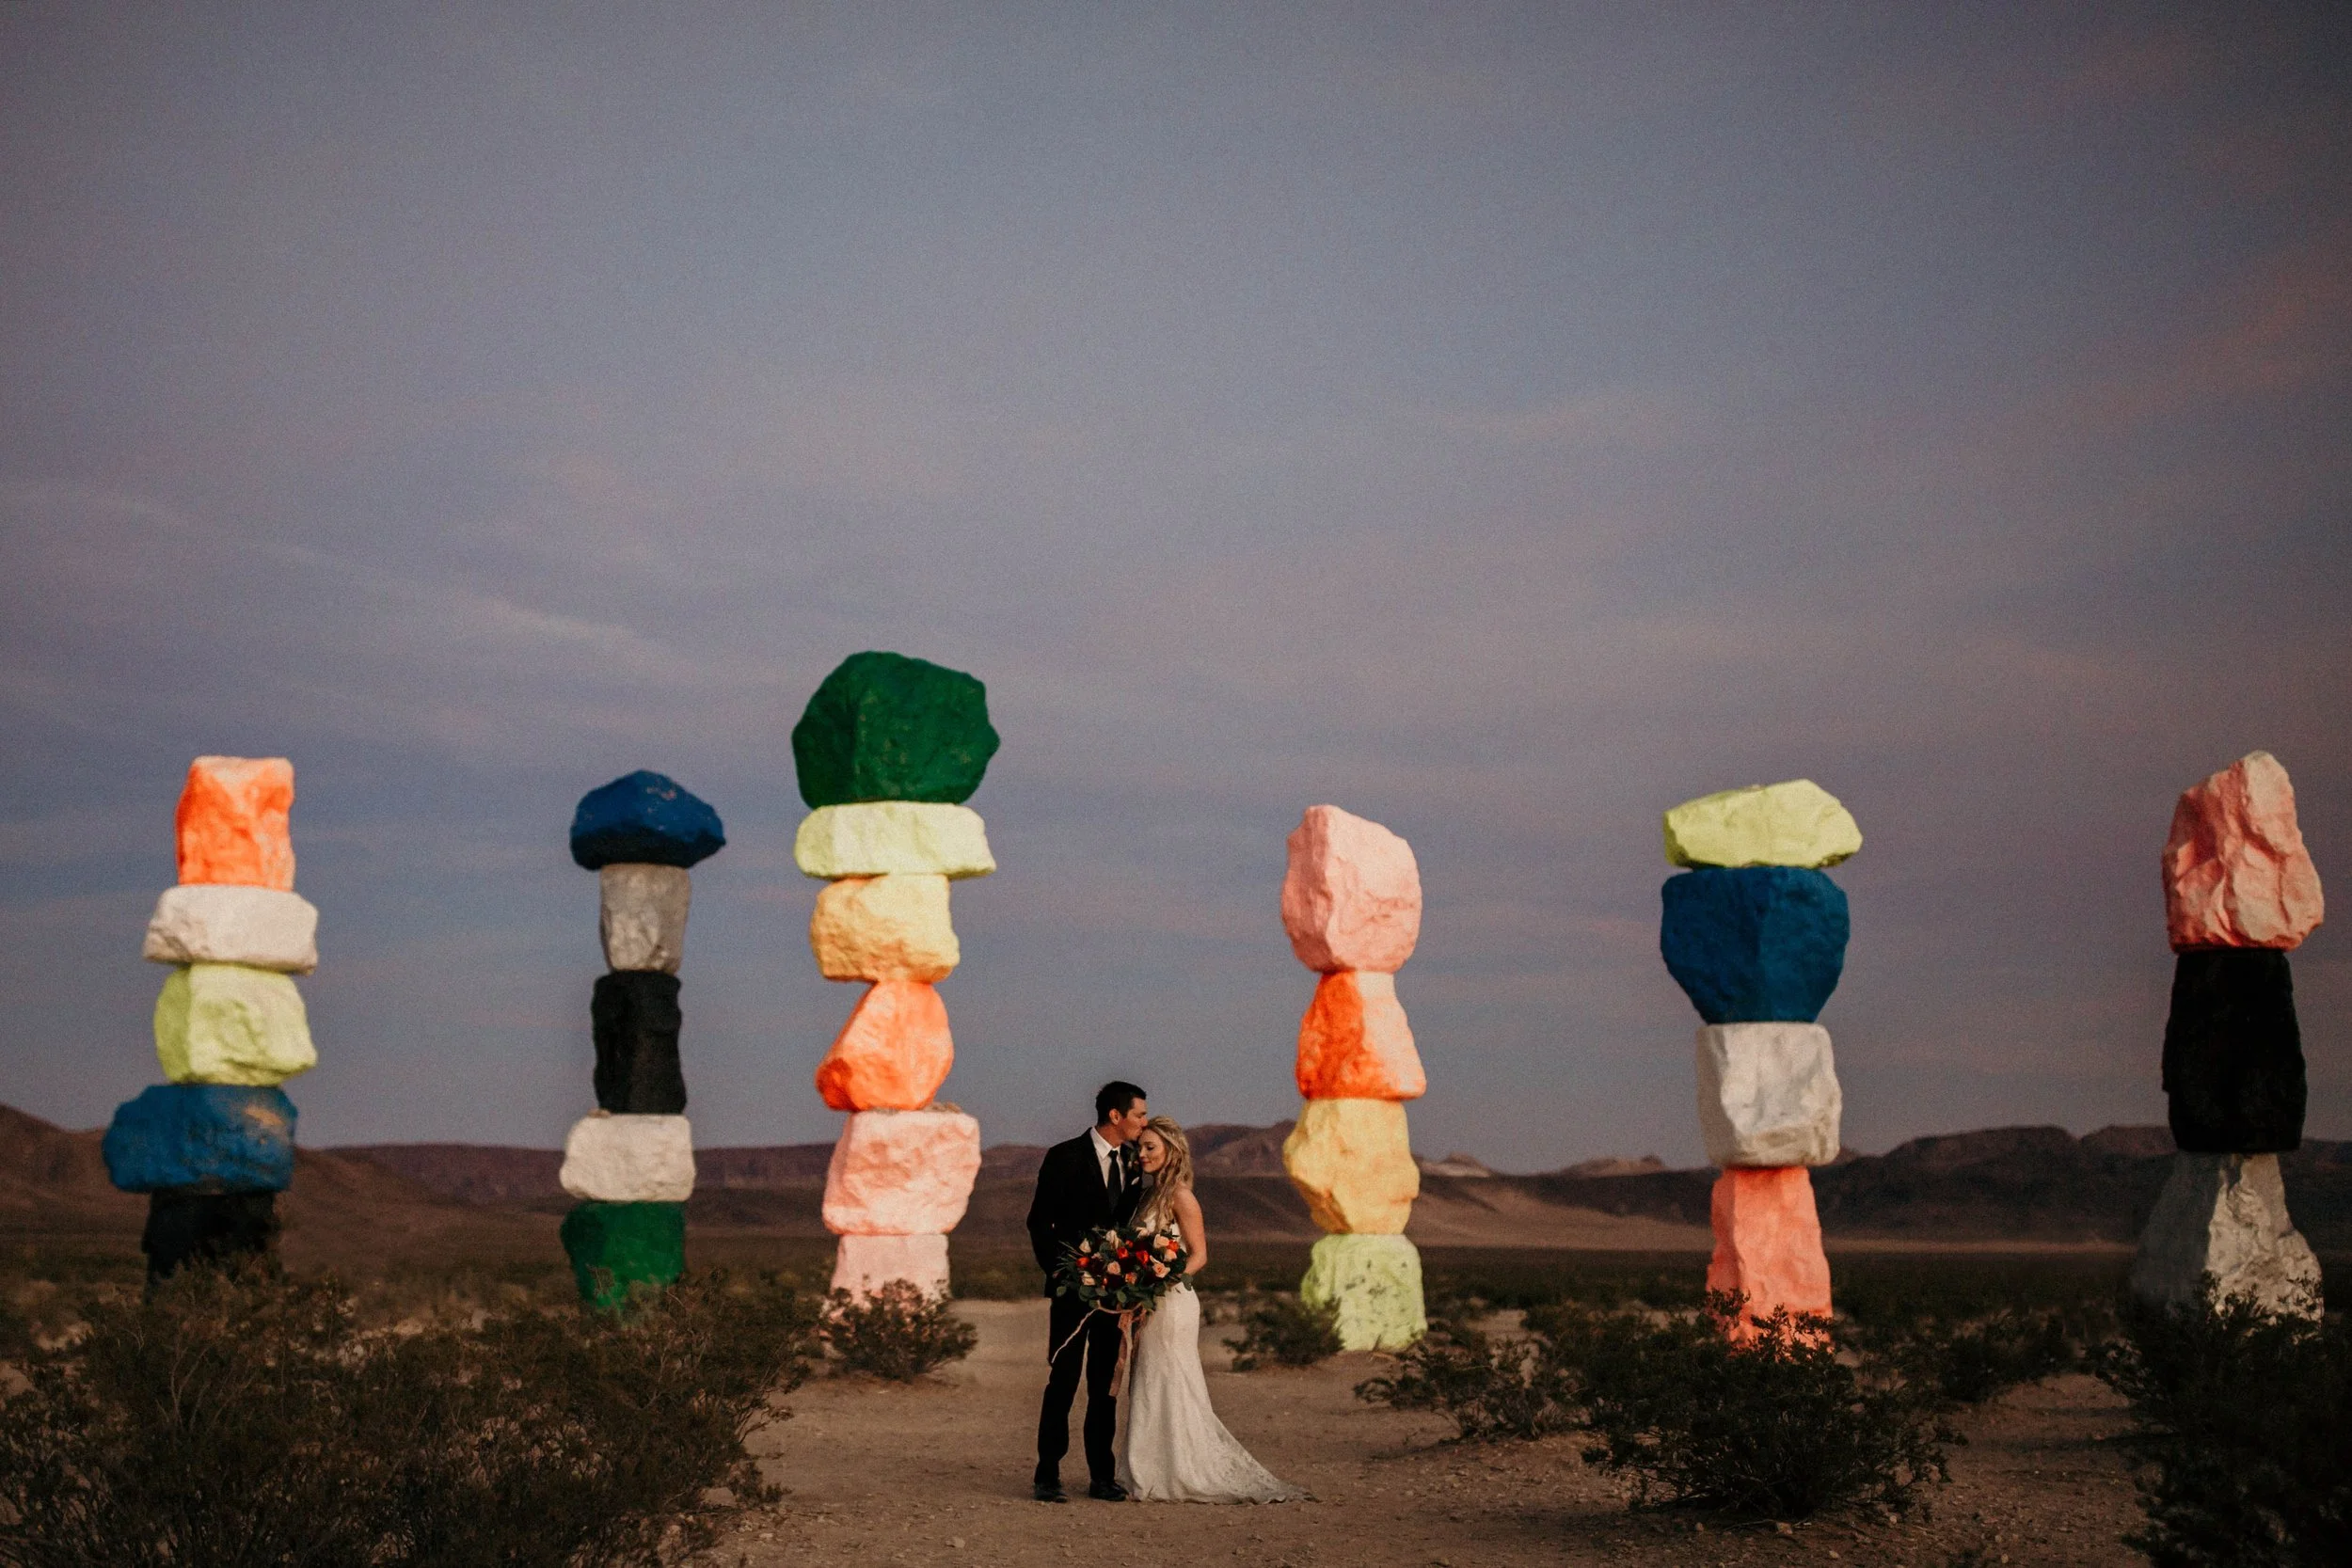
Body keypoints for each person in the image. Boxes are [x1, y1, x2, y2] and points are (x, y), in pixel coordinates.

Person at [1117, 1117, 1306, 1503]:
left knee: (1171, 1377)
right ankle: (1149, 1469)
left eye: (1151, 1147)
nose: (1143, 1154)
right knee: (1149, 1377)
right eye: (1141, 1148)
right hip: (1150, 1299)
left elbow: (1199, 1255)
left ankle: (1183, 1469)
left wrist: (1156, 1286)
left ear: (1172, 1150)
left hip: (1173, 1302)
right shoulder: (1150, 1196)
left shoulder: (1182, 1196)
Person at [1025, 1080, 1148, 1502]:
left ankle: (1102, 1475)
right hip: (1072, 1292)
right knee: (1062, 1380)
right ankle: (1047, 1474)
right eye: (1139, 1115)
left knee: (1104, 1384)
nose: (1143, 1123)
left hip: (1116, 1296)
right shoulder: (1064, 1157)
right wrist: (1064, 1274)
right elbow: (1040, 1222)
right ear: (1116, 1116)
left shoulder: (1135, 1161)